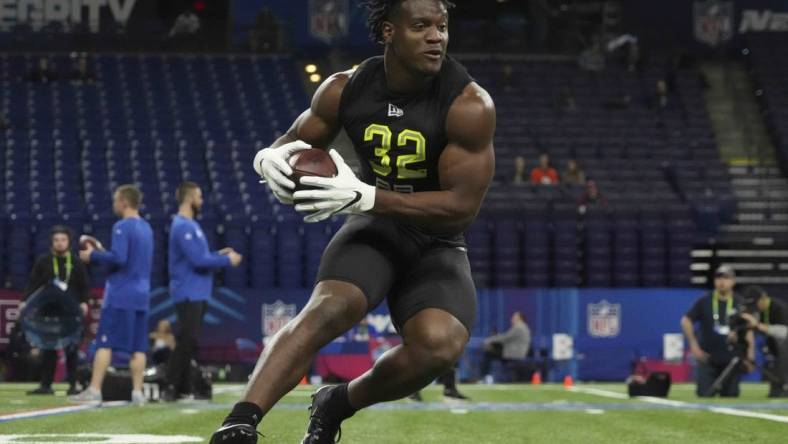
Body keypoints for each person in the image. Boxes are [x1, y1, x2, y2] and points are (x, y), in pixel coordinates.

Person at [210, 0, 495, 442]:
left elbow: (461, 207)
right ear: (387, 32)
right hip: (374, 228)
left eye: (442, 26)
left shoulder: (468, 103)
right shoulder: (344, 88)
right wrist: (269, 157)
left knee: (439, 347)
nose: (436, 36)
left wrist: (368, 195)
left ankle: (337, 402)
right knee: (329, 308)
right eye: (421, 26)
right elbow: (295, 140)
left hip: (435, 240)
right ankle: (240, 422)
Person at [69, 185, 154, 405]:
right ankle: (137, 393)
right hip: (142, 294)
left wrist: (93, 255)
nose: (114, 204)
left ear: (124, 202)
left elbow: (119, 258)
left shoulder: (121, 226)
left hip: (120, 294)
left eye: (116, 200)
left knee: (104, 343)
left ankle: (94, 390)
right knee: (138, 346)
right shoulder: (147, 228)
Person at [163, 182, 243, 401]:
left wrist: (218, 254)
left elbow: (199, 256)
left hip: (197, 291)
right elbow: (198, 261)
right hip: (188, 292)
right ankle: (170, 386)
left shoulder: (190, 225)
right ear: (189, 198)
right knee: (186, 340)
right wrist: (227, 259)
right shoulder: (183, 226)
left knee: (189, 340)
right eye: (199, 197)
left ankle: (181, 387)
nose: (202, 201)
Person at [22, 226, 90, 396]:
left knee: (72, 350)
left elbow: (84, 285)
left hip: (71, 313)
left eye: (63, 240)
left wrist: (84, 302)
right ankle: (46, 385)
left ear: (68, 242)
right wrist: (24, 301)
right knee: (48, 349)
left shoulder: (75, 262)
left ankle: (73, 385)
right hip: (48, 312)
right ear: (52, 243)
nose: (60, 243)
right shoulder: (43, 261)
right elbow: (33, 283)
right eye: (57, 240)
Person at [681, 265, 754, 397]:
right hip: (708, 358)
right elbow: (686, 320)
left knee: (730, 397)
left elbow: (748, 331)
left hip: (731, 360)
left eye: (726, 278)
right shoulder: (705, 300)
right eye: (719, 278)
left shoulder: (740, 303)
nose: (722, 282)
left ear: (733, 281)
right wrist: (693, 346)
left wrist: (750, 357)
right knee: (704, 395)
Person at [739, 286, 788, 397]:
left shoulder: (779, 308)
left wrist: (758, 325)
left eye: (756, 304)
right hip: (774, 348)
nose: (755, 307)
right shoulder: (757, 311)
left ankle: (784, 386)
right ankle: (777, 388)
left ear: (763, 299)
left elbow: (785, 332)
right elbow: (749, 331)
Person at [480, 311, 531, 383]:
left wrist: (489, 340)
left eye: (514, 318)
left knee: (488, 354)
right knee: (492, 350)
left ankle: (486, 377)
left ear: (520, 318)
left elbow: (505, 337)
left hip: (514, 354)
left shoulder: (519, 327)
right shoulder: (525, 327)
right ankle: (487, 377)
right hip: (517, 352)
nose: (512, 319)